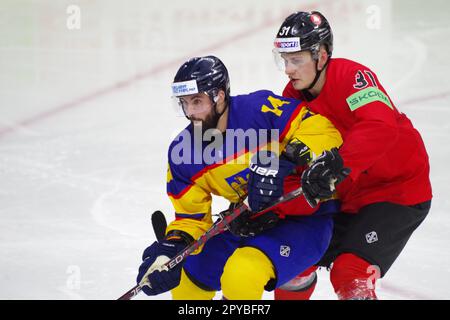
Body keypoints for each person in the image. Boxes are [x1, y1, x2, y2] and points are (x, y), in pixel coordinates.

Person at [135, 55, 345, 299]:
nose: (190, 112)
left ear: (220, 95)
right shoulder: (183, 151)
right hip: (248, 220)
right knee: (187, 277)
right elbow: (190, 217)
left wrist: (286, 158)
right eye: (184, 103)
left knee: (241, 273)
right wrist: (171, 247)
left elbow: (323, 130)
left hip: (306, 217)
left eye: (197, 102)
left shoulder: (259, 109)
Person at [271, 11, 432, 300]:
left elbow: (380, 125)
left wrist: (338, 163)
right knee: (293, 262)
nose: (288, 69)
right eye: (284, 60)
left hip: (396, 191)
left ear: (321, 56)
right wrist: (266, 206)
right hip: (346, 194)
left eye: (296, 60)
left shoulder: (352, 76)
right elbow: (288, 161)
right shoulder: (290, 97)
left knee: (350, 273)